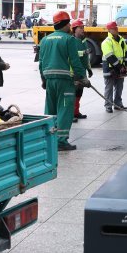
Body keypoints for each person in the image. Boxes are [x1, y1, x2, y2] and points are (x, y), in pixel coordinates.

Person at [38, 11, 89, 151]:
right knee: (65, 110)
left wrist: (43, 80)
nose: (70, 26)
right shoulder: (69, 39)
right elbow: (75, 61)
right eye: (69, 23)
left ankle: (49, 138)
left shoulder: (45, 40)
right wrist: (83, 78)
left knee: (50, 110)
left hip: (49, 80)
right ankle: (61, 141)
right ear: (65, 24)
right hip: (65, 81)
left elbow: (41, 62)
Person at [101, 21, 127, 112]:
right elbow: (110, 56)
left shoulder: (121, 39)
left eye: (116, 27)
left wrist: (126, 65)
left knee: (119, 87)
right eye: (114, 28)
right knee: (109, 88)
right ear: (109, 30)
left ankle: (118, 104)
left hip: (119, 68)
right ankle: (108, 106)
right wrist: (120, 66)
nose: (117, 29)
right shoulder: (106, 42)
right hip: (109, 68)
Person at [71, 19, 92, 121]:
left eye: (83, 27)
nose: (83, 29)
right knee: (73, 93)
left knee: (79, 93)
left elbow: (86, 58)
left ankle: (76, 112)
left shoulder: (83, 41)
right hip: (74, 72)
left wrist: (89, 69)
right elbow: (73, 55)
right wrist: (83, 52)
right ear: (75, 29)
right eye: (80, 28)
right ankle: (71, 114)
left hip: (82, 71)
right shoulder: (71, 41)